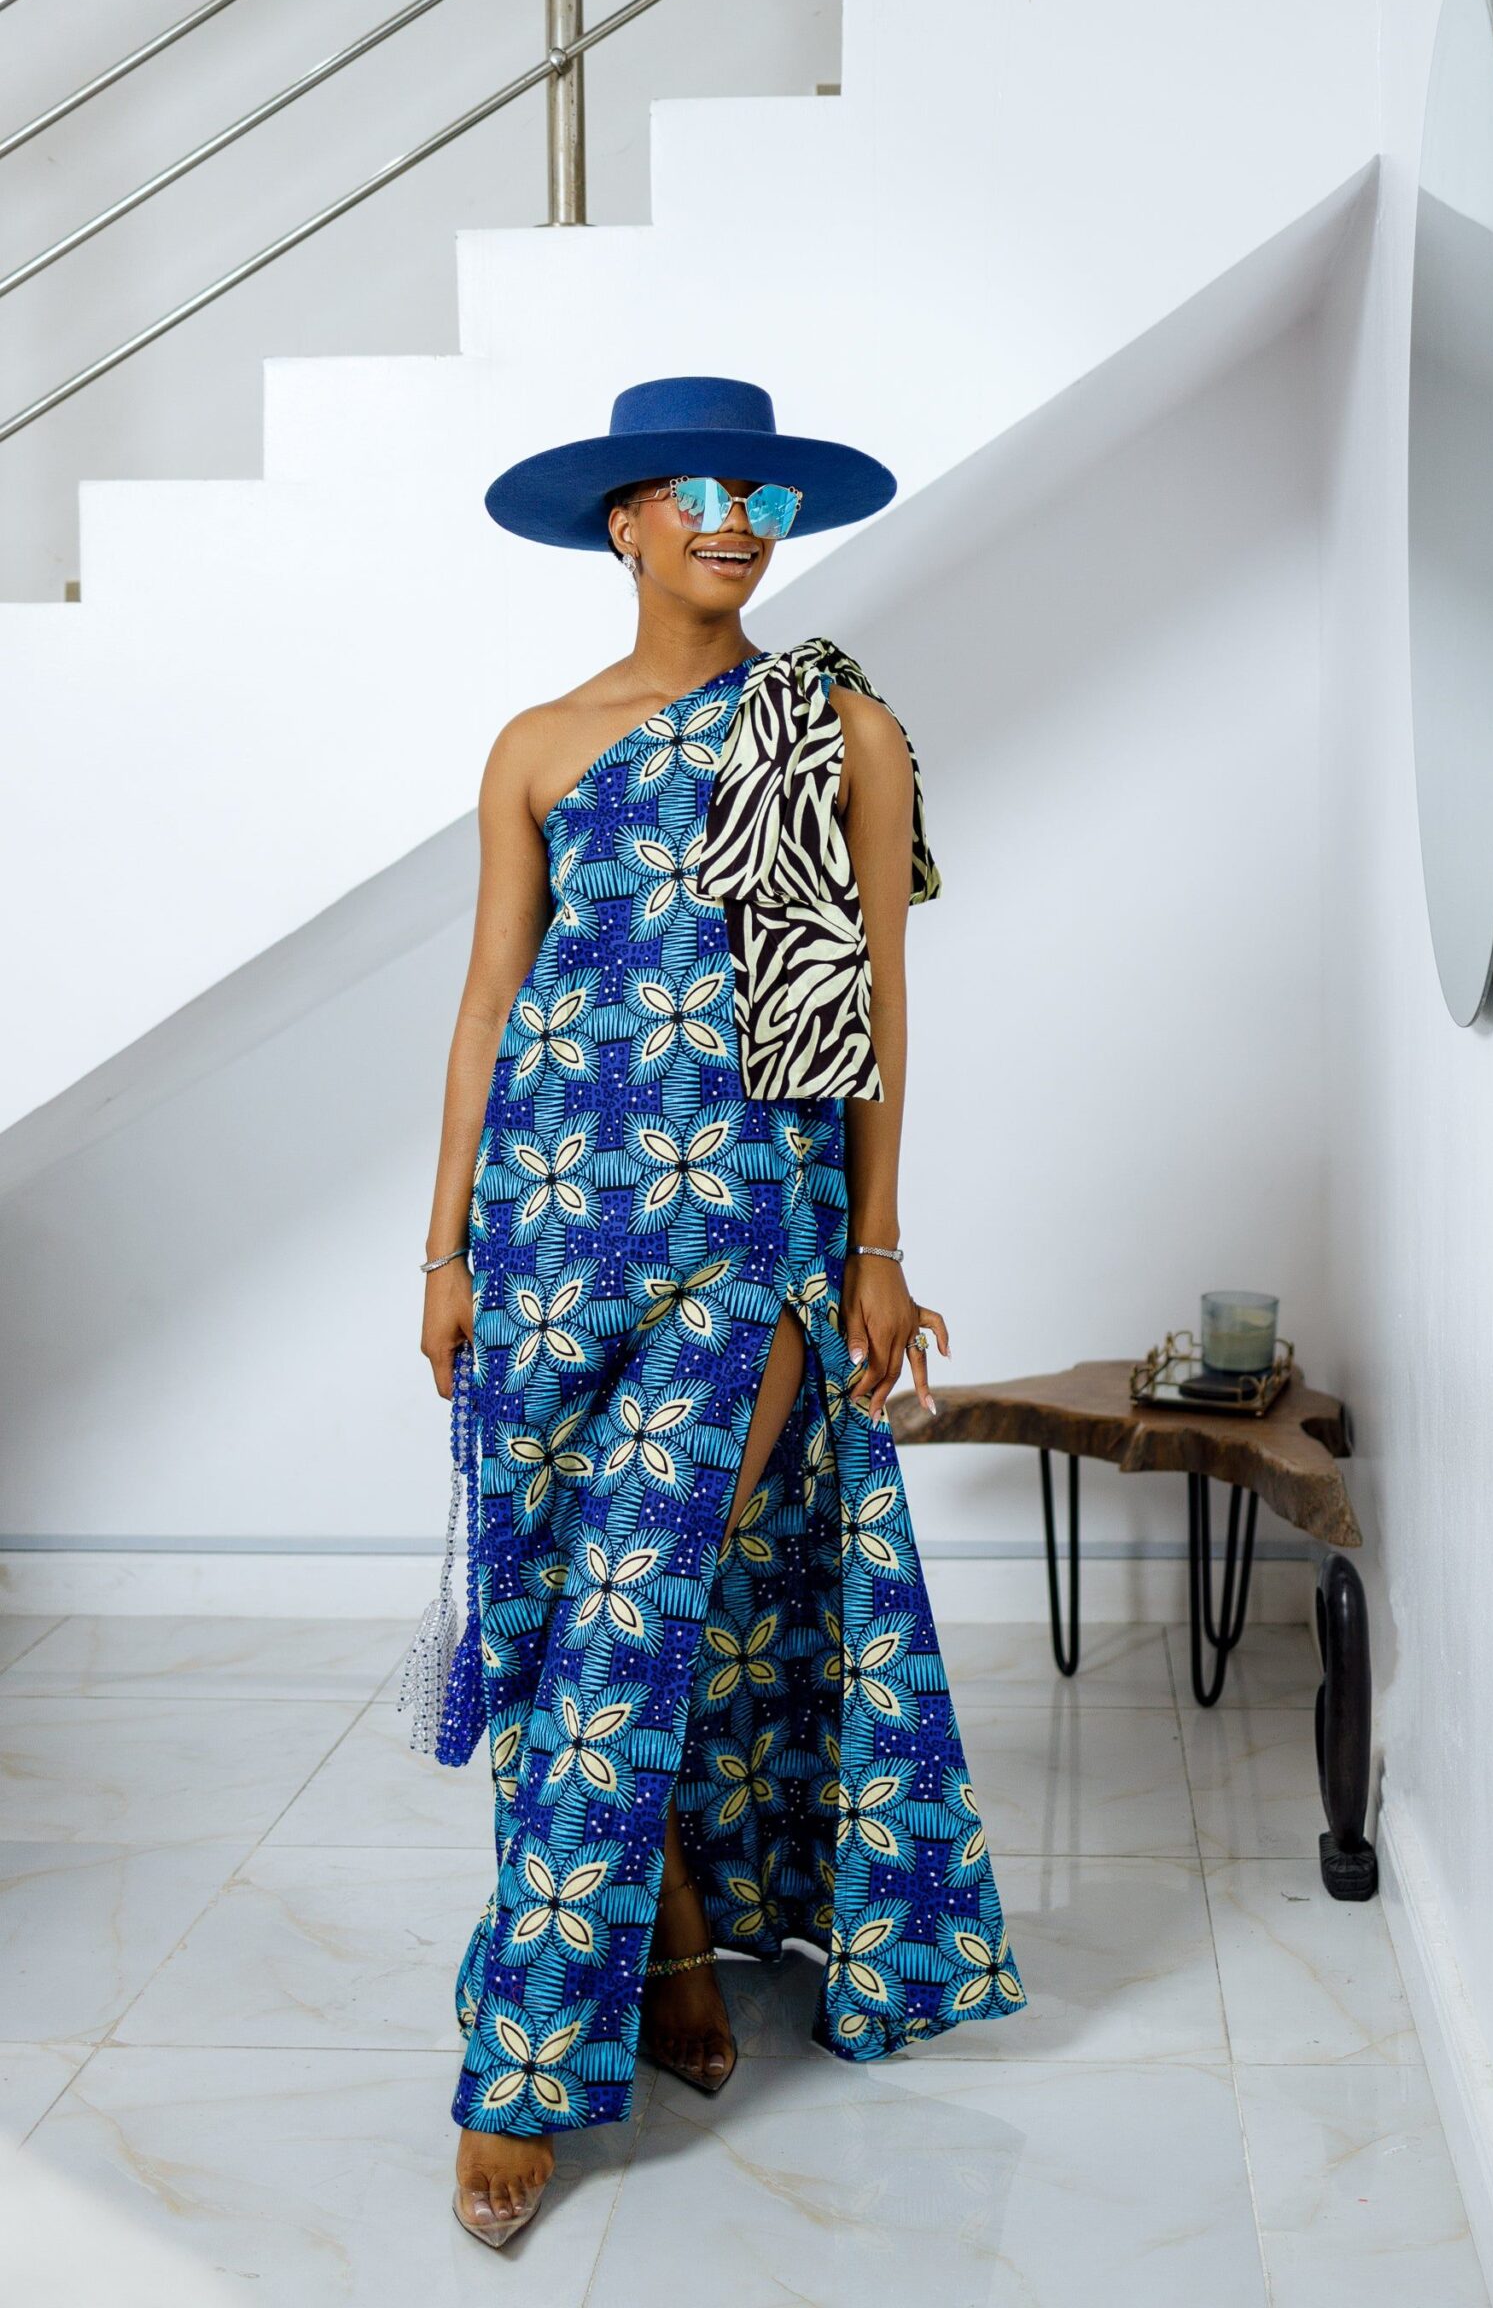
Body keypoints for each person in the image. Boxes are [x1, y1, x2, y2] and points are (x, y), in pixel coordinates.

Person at [419, 377, 1025, 2248]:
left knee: (631, 1608)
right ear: (625, 523)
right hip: (546, 1235)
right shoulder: (535, 746)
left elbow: (880, 1000)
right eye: (695, 489)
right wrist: (443, 1253)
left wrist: (877, 1246)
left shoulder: (836, 726)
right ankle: (673, 1934)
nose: (735, 516)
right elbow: (491, 1002)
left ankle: (523, 2067)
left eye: (759, 490)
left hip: (748, 1233)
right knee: (562, 1614)